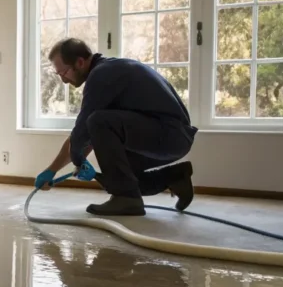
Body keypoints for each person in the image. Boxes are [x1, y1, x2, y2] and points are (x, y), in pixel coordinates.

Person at [35, 37, 198, 216]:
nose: (64, 81)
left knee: (98, 122)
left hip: (170, 135)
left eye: (63, 73)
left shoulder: (101, 76)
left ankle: (126, 199)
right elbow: (85, 136)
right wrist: (52, 170)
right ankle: (175, 178)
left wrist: (79, 160)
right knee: (119, 176)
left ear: (80, 62)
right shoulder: (109, 71)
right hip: (173, 136)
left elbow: (83, 132)